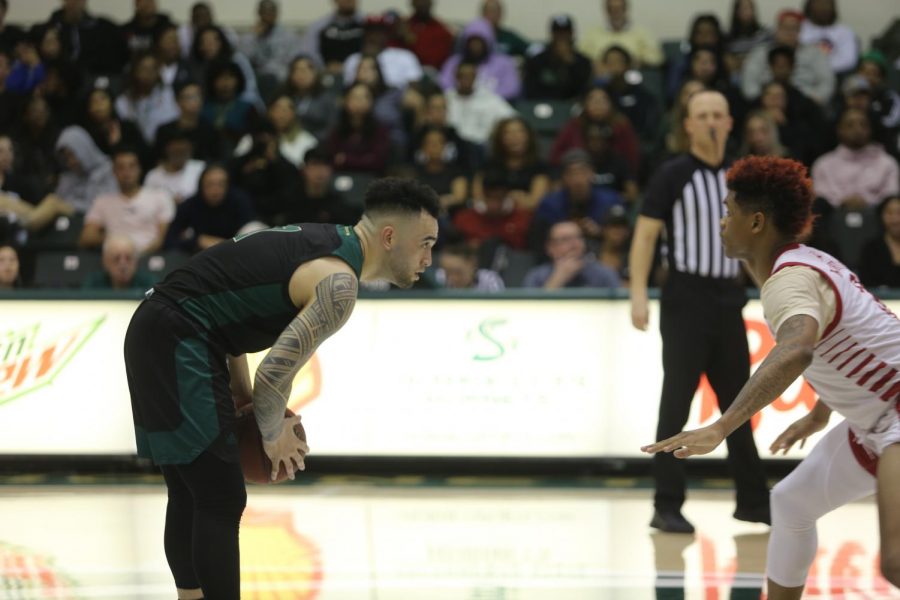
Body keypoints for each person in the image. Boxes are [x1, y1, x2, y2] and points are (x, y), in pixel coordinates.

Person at [124, 177, 438, 600]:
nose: (429, 258)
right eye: (426, 243)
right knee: (220, 497)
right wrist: (272, 435)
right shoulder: (338, 285)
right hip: (178, 335)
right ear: (389, 236)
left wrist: (244, 399)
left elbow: (224, 318)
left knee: (190, 491)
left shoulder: (321, 241)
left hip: (161, 327)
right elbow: (273, 375)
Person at [642, 155, 900, 598]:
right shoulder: (809, 261)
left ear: (756, 222)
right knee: (791, 502)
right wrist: (821, 413)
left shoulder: (789, 279)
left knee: (896, 560)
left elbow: (797, 349)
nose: (722, 222)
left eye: (729, 212)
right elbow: (852, 344)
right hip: (875, 419)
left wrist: (724, 425)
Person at [628, 90, 770, 533]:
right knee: (676, 402)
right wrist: (637, 291)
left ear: (730, 122)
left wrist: (770, 288)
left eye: (717, 114)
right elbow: (646, 235)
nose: (710, 121)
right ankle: (666, 503)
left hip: (728, 298)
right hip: (685, 299)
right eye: (701, 115)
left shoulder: (741, 178)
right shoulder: (673, 174)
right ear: (687, 124)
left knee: (740, 403)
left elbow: (754, 242)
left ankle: (753, 502)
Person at [79, 148, 175, 255]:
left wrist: (139, 256)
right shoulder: (102, 201)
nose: (126, 172)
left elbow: (162, 238)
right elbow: (86, 238)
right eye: (121, 168)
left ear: (139, 169)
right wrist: (111, 237)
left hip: (149, 257)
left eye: (131, 166)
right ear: (114, 172)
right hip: (114, 258)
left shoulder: (160, 196)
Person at [811, 108, 899, 210]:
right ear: (840, 130)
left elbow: (890, 196)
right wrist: (842, 202)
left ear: (870, 130)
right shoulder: (823, 164)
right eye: (850, 125)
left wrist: (867, 201)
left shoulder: (887, 163)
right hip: (833, 220)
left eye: (863, 124)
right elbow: (821, 197)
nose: (858, 129)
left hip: (876, 219)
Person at [741, 10, 834, 106]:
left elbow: (826, 82)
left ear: (800, 31)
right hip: (766, 102)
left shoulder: (814, 53)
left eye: (794, 28)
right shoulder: (760, 52)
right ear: (777, 29)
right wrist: (761, 101)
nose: (789, 33)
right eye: (785, 28)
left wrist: (814, 100)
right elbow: (749, 83)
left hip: (805, 102)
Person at [165, 164, 255, 254]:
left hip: (237, 252)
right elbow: (170, 239)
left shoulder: (240, 201)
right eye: (210, 185)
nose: (215, 190)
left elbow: (251, 234)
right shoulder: (191, 204)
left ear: (228, 185)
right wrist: (198, 241)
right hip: (201, 255)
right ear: (201, 186)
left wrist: (226, 244)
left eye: (221, 184)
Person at [439, 18, 521, 101]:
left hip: (493, 107)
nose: (475, 46)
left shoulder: (504, 63)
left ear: (488, 43)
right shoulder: (454, 62)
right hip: (460, 104)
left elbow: (512, 89)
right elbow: (444, 85)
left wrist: (482, 98)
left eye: (479, 42)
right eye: (472, 42)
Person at [523, 220, 620, 289]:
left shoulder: (604, 274)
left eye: (578, 237)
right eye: (565, 239)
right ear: (550, 248)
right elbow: (531, 313)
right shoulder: (536, 277)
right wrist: (557, 280)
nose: (574, 244)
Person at [444, 61, 515, 148]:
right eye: (463, 76)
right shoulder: (446, 98)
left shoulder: (490, 98)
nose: (466, 79)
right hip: (452, 145)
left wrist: (496, 131)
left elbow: (511, 117)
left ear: (475, 77)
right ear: (456, 77)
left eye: (470, 76)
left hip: (482, 145)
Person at [523, 15, 592, 101]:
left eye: (565, 33)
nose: (562, 37)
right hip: (543, 105)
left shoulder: (583, 62)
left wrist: (571, 64)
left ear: (572, 34)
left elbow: (583, 89)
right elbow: (530, 89)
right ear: (552, 34)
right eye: (558, 33)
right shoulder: (537, 61)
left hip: (573, 105)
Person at [578, 0, 663, 69]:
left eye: (619, 9)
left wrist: (637, 62)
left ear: (626, 10)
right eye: (612, 9)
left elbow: (656, 58)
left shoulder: (642, 33)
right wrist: (596, 63)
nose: (616, 13)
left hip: (632, 74)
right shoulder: (592, 34)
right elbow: (579, 57)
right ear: (606, 11)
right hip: (602, 77)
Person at [156, 81, 225, 163]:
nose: (194, 101)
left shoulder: (211, 130)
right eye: (189, 97)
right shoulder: (165, 131)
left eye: (197, 96)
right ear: (178, 101)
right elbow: (158, 159)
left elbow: (217, 159)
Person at [239, 0, 301, 83]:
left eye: (271, 12)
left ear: (277, 13)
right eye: (264, 12)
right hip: (256, 78)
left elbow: (293, 61)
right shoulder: (249, 37)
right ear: (258, 13)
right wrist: (255, 38)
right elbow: (243, 60)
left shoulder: (289, 36)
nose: (267, 16)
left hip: (280, 79)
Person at [281, 55, 338, 143]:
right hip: (287, 142)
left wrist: (312, 140)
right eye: (297, 70)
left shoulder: (326, 98)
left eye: (306, 70)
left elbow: (332, 127)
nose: (301, 75)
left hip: (318, 143)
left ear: (315, 73)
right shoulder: (284, 96)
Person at [299, 0, 364, 75]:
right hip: (326, 75)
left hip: (361, 74)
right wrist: (324, 68)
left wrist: (349, 68)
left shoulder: (367, 25)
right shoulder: (319, 27)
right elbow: (309, 54)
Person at [145, 131, 206, 205]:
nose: (179, 155)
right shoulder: (153, 176)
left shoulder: (201, 169)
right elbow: (147, 204)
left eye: (183, 151)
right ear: (167, 149)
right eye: (176, 151)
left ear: (190, 149)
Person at [800, 0, 858, 75]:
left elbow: (849, 61)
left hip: (836, 75)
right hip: (802, 74)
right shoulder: (799, 27)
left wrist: (820, 68)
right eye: (819, 3)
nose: (824, 7)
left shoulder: (845, 32)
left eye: (827, 3)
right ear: (809, 6)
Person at [82, 234, 156, 290]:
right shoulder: (93, 284)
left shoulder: (149, 285)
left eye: (128, 258)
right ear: (105, 262)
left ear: (136, 261)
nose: (123, 264)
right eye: (116, 258)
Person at [398, 0, 454, 70]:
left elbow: (436, 60)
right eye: (419, 1)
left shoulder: (441, 30)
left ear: (431, 3)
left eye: (425, 1)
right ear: (412, 3)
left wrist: (413, 43)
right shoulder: (403, 26)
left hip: (431, 73)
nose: (422, 4)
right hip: (402, 71)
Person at [859, 194, 900, 288]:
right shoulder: (871, 248)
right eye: (889, 213)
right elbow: (866, 284)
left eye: (899, 213)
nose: (895, 219)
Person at [436, 243, 504, 291]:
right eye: (447, 273)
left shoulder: (489, 280)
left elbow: (500, 308)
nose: (452, 278)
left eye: (457, 272)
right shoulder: (438, 278)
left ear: (472, 264)